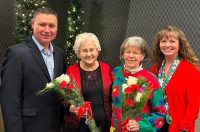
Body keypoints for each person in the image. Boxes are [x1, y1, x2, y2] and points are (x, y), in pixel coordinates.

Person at [0, 7, 66, 132]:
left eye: (51, 25)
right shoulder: (16, 54)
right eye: (42, 24)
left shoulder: (59, 54)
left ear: (56, 28)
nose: (47, 30)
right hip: (29, 127)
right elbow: (9, 100)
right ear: (33, 25)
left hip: (55, 126)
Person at [150, 25, 200, 132]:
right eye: (163, 41)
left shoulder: (190, 70)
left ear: (179, 44)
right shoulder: (154, 69)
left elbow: (194, 103)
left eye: (172, 41)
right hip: (156, 124)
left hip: (178, 126)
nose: (167, 45)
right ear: (159, 45)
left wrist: (185, 126)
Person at [111, 36, 166, 132]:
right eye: (128, 52)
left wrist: (140, 126)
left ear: (143, 56)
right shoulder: (116, 72)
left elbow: (160, 112)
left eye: (135, 53)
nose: (131, 56)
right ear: (123, 54)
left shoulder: (150, 79)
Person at [62, 32, 112, 132]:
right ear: (78, 53)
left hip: (104, 125)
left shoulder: (106, 68)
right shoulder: (71, 71)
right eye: (84, 50)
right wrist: (69, 106)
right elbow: (63, 97)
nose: (88, 54)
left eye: (92, 50)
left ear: (97, 50)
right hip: (79, 126)